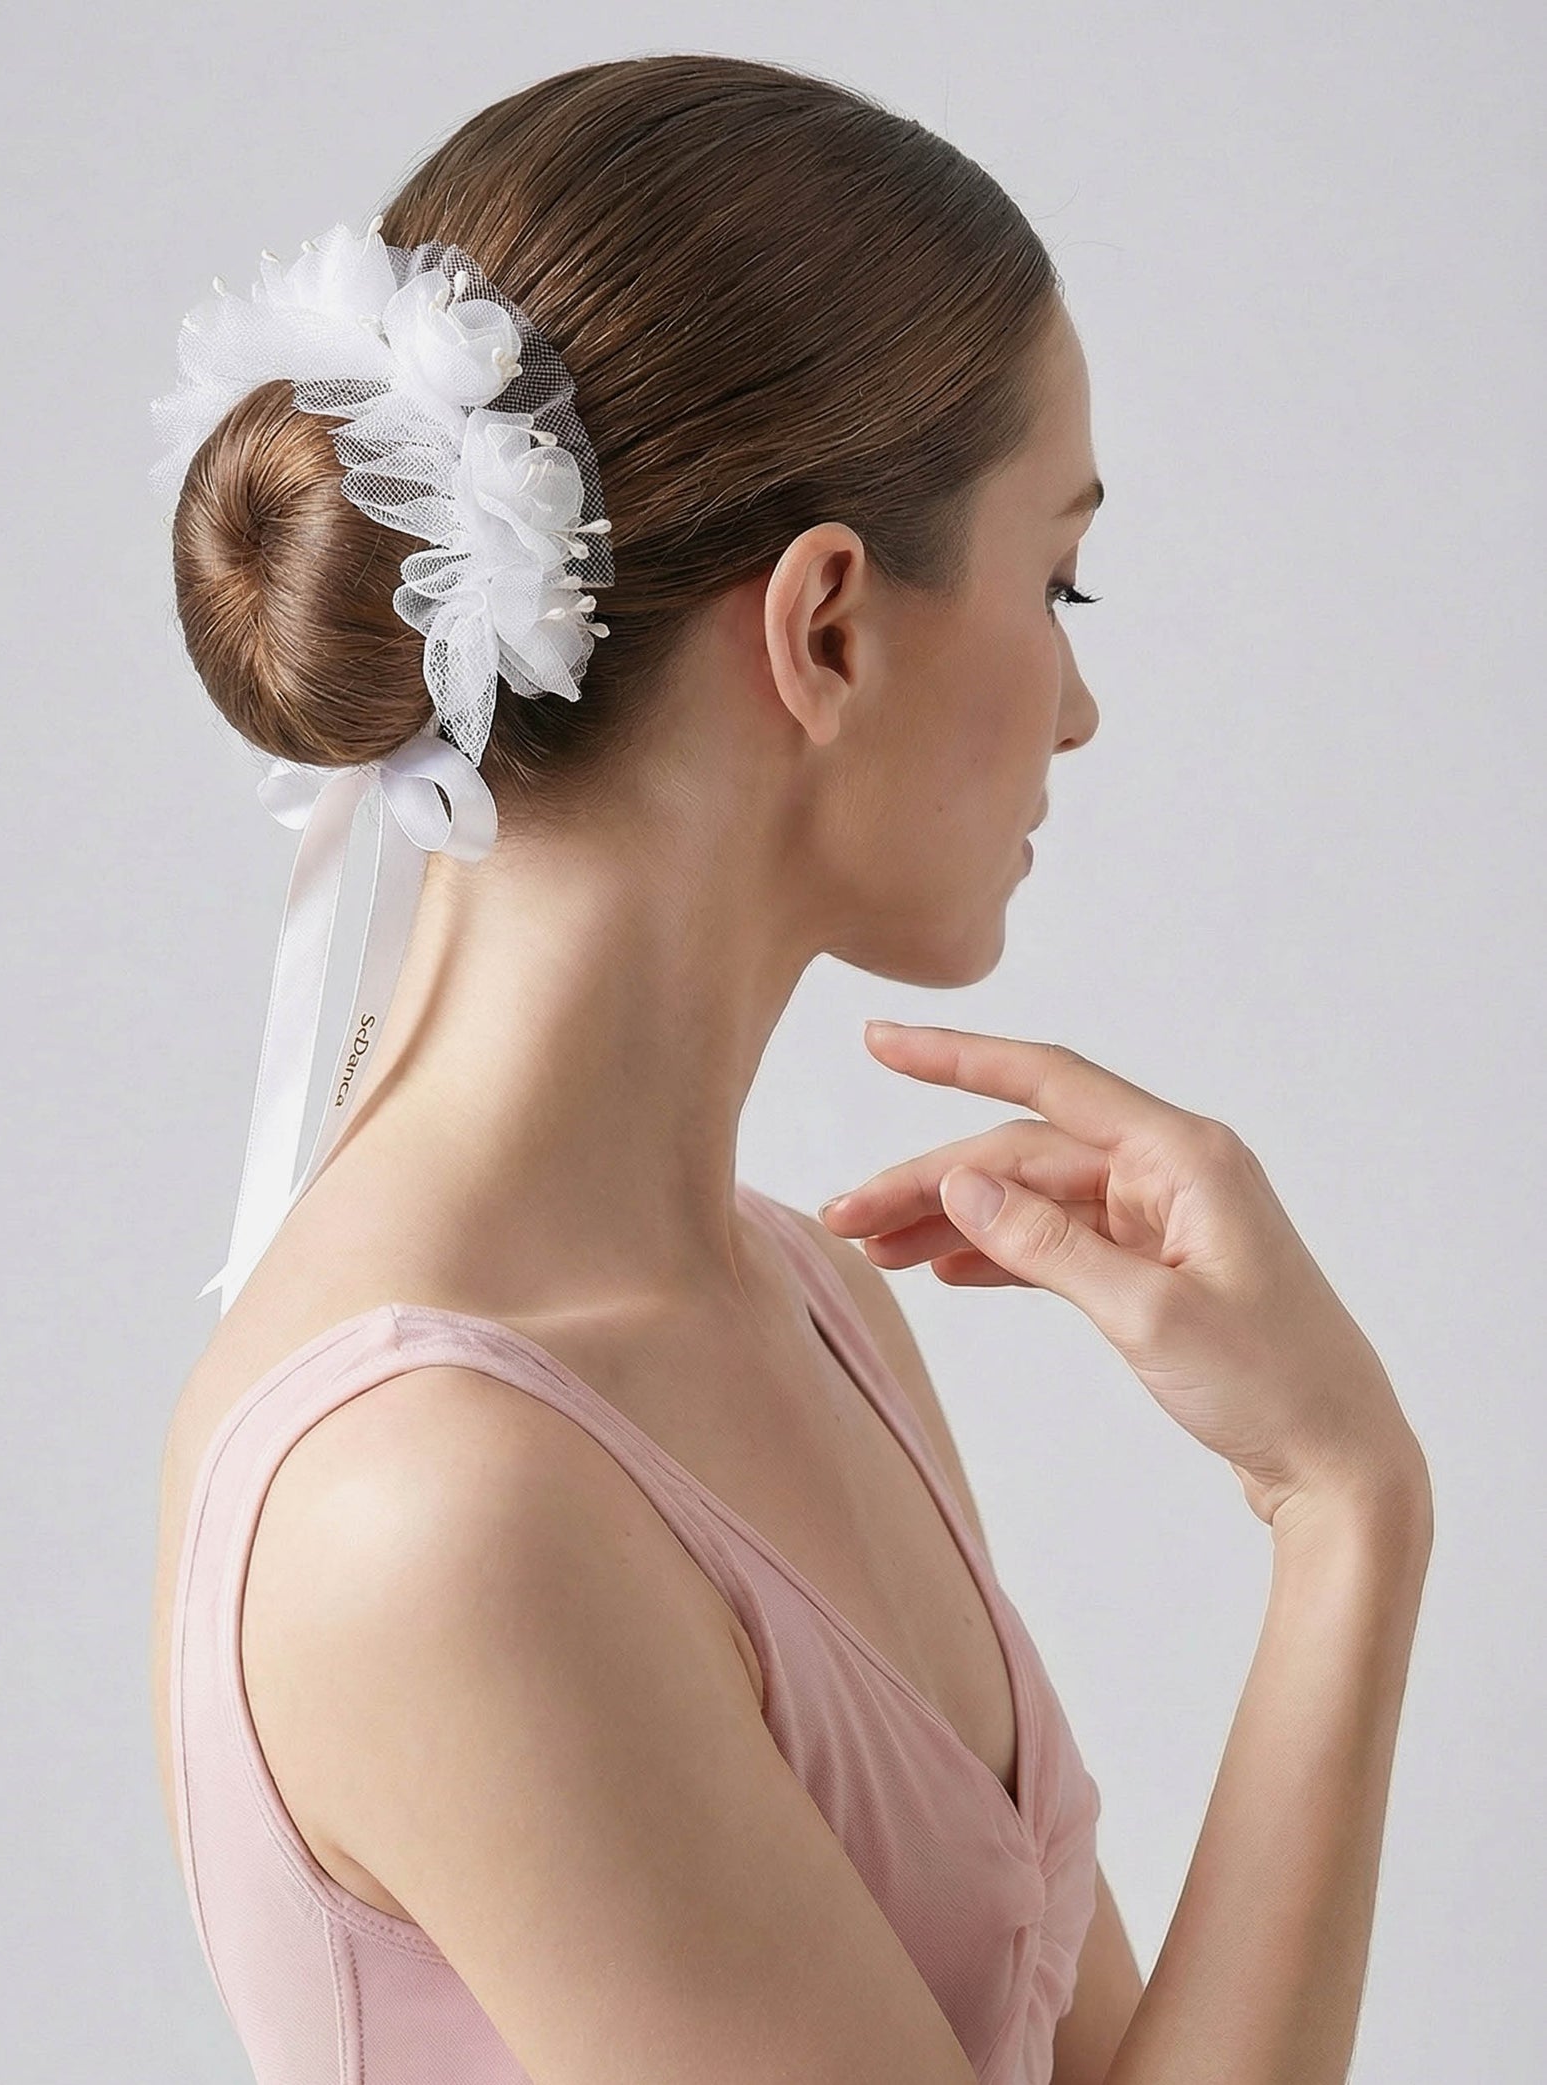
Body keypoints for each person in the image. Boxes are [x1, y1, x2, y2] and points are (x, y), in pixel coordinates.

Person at [147, 52, 1432, 2085]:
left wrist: (1341, 1500)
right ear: (826, 622)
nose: (1079, 703)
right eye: (1054, 574)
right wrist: (1338, 1507)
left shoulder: (802, 1302)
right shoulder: (438, 1501)